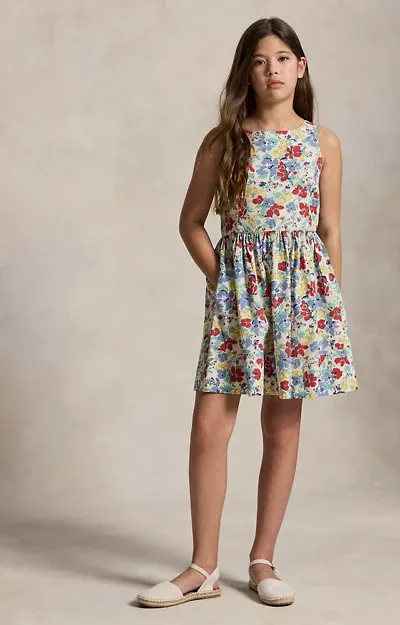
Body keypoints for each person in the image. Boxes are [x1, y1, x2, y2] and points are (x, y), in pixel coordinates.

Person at [136, 15, 359, 609]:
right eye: (260, 61)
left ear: (301, 67)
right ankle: (202, 566)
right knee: (210, 424)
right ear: (246, 73)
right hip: (238, 299)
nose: (272, 70)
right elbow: (190, 223)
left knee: (281, 427)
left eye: (283, 58)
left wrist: (327, 306)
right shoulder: (224, 142)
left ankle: (263, 559)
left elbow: (330, 229)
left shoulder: (323, 142)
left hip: (301, 301)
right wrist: (223, 279)